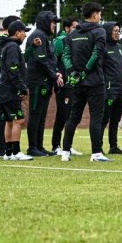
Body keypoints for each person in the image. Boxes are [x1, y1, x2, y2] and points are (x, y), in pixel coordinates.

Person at [61, 2, 110, 162]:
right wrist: (85, 73)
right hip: (95, 81)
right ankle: (96, 153)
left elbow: (65, 56)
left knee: (74, 116)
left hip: (76, 83)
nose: (100, 17)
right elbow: (96, 54)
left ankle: (65, 152)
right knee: (96, 117)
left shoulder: (73, 34)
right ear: (95, 14)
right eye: (100, 14)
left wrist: (73, 73)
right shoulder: (99, 31)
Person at [24, 11, 63, 156]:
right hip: (37, 83)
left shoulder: (45, 37)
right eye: (53, 22)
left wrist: (57, 71)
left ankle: (39, 147)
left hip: (45, 83)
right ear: (46, 22)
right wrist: (54, 76)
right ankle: (32, 147)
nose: (54, 25)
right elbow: (41, 60)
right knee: (35, 115)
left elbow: (50, 60)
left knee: (41, 115)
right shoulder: (38, 35)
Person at [0, 20, 34, 161]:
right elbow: (13, 69)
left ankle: (8, 153)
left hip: (4, 90)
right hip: (10, 91)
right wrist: (22, 88)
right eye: (24, 32)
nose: (25, 35)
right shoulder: (13, 47)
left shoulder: (7, 46)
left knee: (9, 121)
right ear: (18, 32)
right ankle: (16, 152)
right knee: (19, 120)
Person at [0, 15, 20, 158]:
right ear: (10, 27)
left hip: (5, 84)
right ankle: (0, 149)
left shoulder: (11, 44)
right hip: (3, 84)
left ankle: (6, 150)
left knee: (7, 119)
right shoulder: (1, 44)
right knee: (3, 119)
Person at [51, 17, 79, 156]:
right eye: (74, 27)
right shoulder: (59, 41)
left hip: (72, 83)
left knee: (70, 115)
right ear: (67, 28)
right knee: (62, 114)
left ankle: (68, 145)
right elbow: (52, 60)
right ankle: (56, 146)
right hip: (62, 83)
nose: (77, 30)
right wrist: (57, 74)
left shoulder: (74, 40)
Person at [100, 22, 122, 154]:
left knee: (115, 120)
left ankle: (113, 146)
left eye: (118, 30)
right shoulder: (103, 48)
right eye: (114, 30)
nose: (117, 33)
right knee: (104, 119)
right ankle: (98, 147)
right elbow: (100, 69)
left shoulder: (120, 47)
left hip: (121, 90)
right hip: (109, 90)